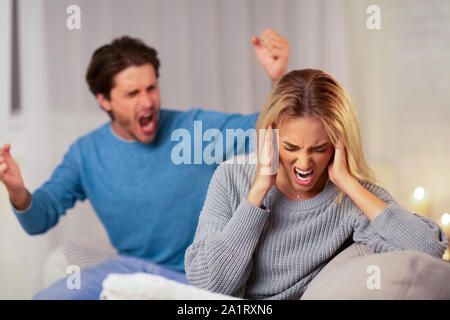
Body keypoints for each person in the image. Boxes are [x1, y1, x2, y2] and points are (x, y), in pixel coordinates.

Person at [0, 29, 290, 299]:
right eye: (132, 93)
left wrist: (278, 81)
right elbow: (40, 219)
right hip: (128, 269)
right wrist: (16, 190)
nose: (148, 101)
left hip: (193, 277)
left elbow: (265, 131)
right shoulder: (85, 154)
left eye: (151, 88)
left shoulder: (194, 130)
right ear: (104, 100)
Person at [185, 69, 448, 300]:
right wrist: (259, 190)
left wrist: (348, 183)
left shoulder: (350, 198)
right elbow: (207, 287)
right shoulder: (232, 178)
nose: (304, 163)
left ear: (338, 143)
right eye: (291, 147)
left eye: (319, 149)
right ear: (271, 136)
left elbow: (429, 250)